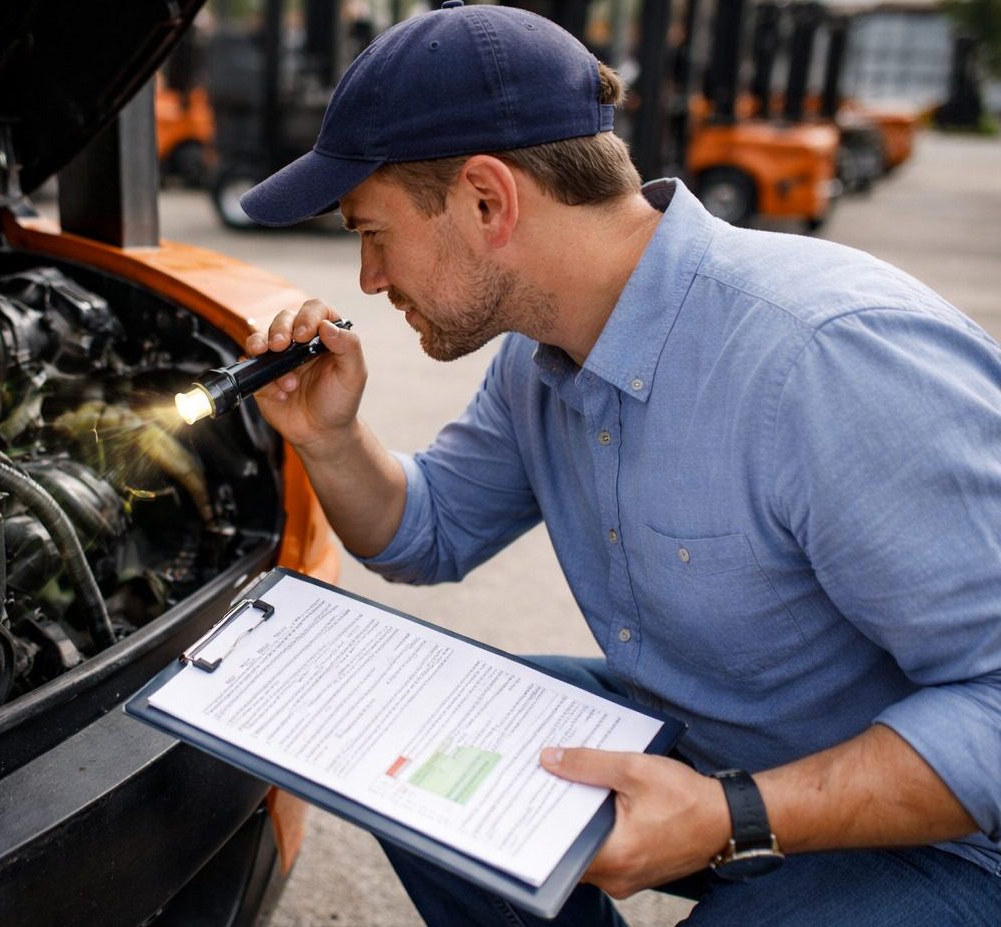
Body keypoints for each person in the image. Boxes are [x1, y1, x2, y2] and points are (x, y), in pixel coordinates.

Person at [234, 3, 1001, 925]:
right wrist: (328, 434)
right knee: (410, 756)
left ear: (488, 199)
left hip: (948, 837)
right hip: (717, 746)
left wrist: (732, 816)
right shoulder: (540, 357)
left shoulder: (825, 358)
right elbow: (423, 533)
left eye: (372, 233)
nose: (368, 279)